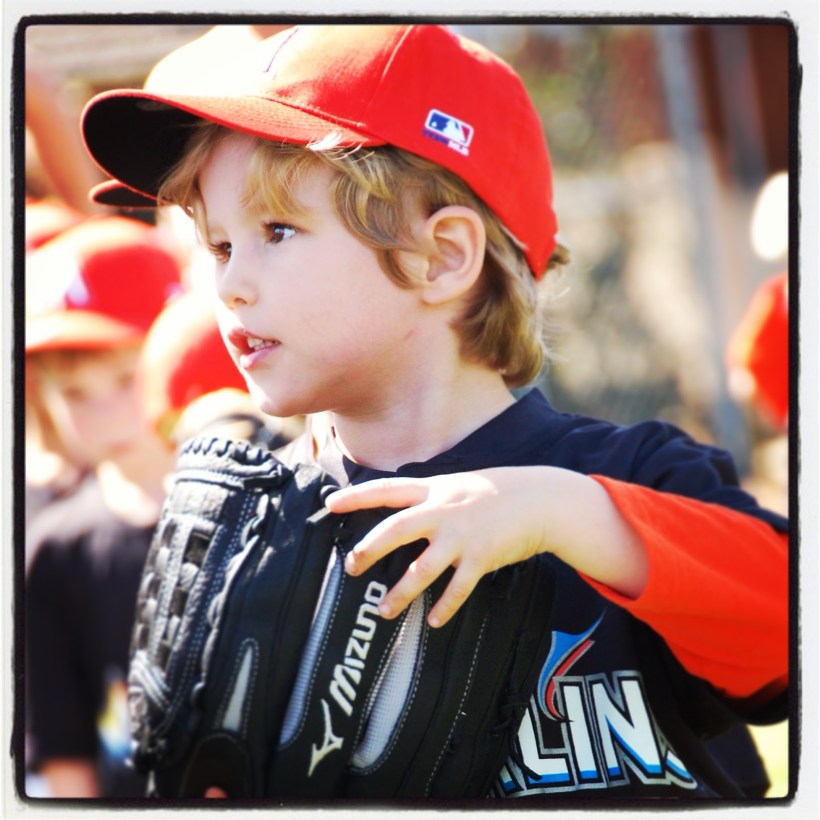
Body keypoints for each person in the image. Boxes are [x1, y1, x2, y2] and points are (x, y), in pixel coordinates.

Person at [79, 24, 788, 800]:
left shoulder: (625, 478)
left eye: (277, 230)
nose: (230, 285)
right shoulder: (253, 533)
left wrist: (566, 512)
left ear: (443, 256)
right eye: (218, 246)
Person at [24, 216, 184, 797]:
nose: (107, 414)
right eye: (75, 394)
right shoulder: (55, 547)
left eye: (125, 377)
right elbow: (65, 758)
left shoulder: (266, 501)